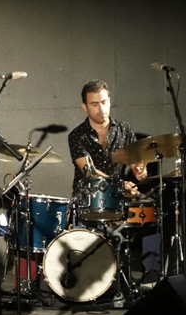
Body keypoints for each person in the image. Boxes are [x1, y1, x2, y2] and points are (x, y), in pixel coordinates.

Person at [67, 79, 161, 286]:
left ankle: (151, 274)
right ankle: (93, 277)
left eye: (104, 102)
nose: (102, 109)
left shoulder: (124, 129)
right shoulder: (76, 135)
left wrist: (139, 167)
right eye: (95, 104)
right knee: (84, 230)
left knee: (150, 212)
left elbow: (137, 157)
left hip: (119, 195)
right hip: (87, 195)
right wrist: (120, 184)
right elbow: (89, 172)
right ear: (84, 107)